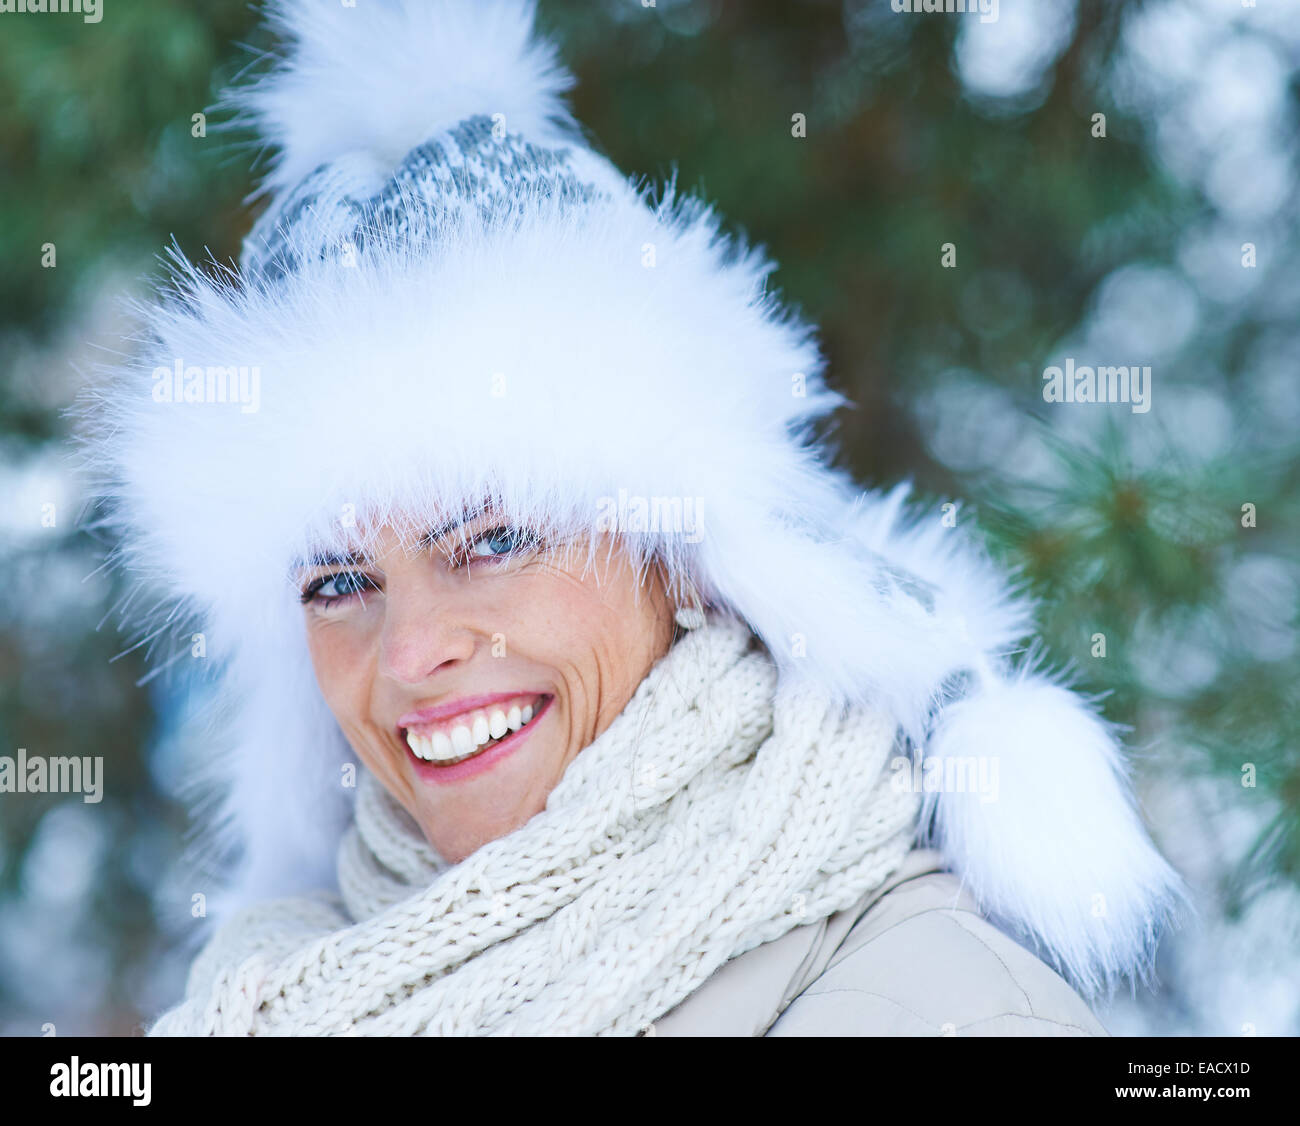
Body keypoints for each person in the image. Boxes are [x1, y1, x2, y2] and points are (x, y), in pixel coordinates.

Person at [77, 0, 1185, 1036]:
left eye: (493, 538)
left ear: (690, 557)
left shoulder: (941, 1005)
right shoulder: (276, 988)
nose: (411, 654)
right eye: (336, 581)